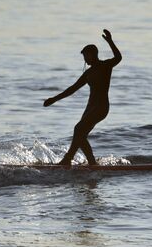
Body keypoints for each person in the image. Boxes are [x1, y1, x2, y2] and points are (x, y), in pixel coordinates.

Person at [44, 29, 122, 165]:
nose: (85, 59)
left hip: (101, 107)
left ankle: (68, 159)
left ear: (92, 55)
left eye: (86, 56)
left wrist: (110, 41)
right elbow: (72, 89)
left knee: (78, 129)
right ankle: (91, 163)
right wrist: (53, 99)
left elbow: (118, 58)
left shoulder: (105, 66)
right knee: (81, 135)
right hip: (90, 107)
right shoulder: (88, 73)